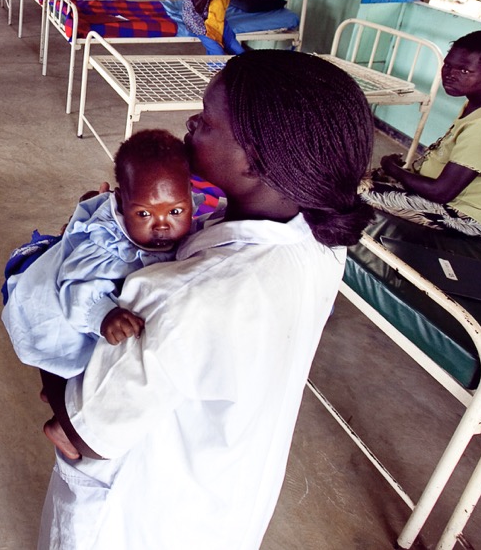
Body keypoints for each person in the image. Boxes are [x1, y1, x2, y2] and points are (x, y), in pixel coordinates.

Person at [36, 50, 376, 549]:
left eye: (208, 121)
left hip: (142, 514)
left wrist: (64, 271)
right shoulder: (321, 237)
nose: (192, 122)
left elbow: (83, 433)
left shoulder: (182, 297)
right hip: (226, 493)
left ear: (256, 160)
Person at [1, 130, 206, 379]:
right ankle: (58, 396)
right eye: (144, 214)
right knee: (71, 362)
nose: (161, 225)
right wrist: (103, 314)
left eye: (175, 212)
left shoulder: (184, 207)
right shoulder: (106, 247)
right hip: (60, 309)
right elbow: (75, 286)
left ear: (188, 193)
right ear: (121, 201)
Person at [361, 30, 481, 237]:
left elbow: (441, 193)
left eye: (464, 71)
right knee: (353, 177)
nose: (449, 75)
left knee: (350, 192)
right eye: (448, 65)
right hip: (443, 193)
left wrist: (393, 169)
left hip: (463, 214)